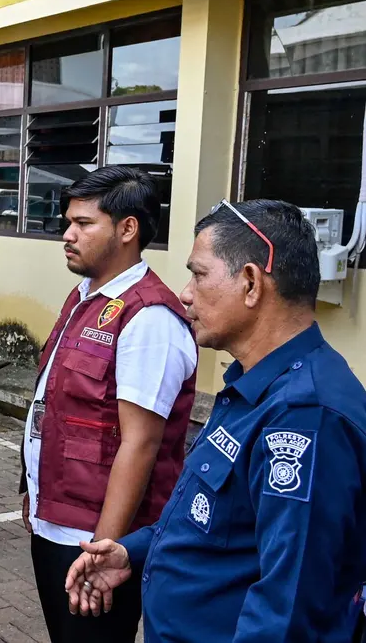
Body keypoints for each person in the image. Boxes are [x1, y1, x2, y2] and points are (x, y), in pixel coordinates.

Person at [65, 199, 366, 642]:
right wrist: (132, 552)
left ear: (250, 283)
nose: (185, 292)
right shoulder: (251, 385)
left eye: (199, 274)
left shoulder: (305, 418)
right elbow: (219, 524)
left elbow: (288, 615)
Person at [20, 166, 198, 643]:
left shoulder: (149, 319)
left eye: (83, 224)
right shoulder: (86, 298)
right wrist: (33, 489)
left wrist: (105, 548)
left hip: (95, 541)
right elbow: (57, 406)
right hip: (55, 521)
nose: (67, 234)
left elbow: (140, 444)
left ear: (127, 229)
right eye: (67, 222)